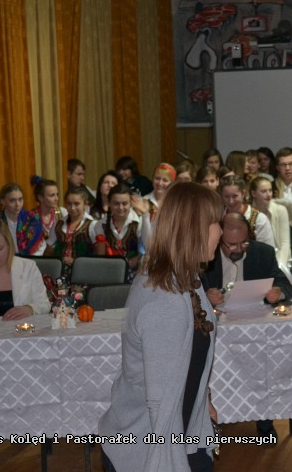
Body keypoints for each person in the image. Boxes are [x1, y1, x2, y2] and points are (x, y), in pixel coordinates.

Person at [98, 182, 222, 472]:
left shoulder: (186, 277)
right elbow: (161, 405)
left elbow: (187, 359)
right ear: (194, 229)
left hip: (180, 434)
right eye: (215, 222)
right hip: (148, 447)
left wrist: (204, 399)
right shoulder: (163, 299)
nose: (220, 230)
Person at [202, 212, 292, 441]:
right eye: (232, 245)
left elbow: (284, 283)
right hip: (217, 330)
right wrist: (204, 296)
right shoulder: (205, 255)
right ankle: (212, 418)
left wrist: (278, 292)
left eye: (244, 243)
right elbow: (188, 290)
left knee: (263, 365)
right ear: (219, 239)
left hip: (254, 329)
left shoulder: (262, 253)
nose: (239, 249)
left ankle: (264, 421)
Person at [92, 184, 152, 283]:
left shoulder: (138, 222)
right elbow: (100, 258)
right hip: (110, 273)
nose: (120, 208)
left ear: (131, 204)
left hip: (135, 273)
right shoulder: (100, 225)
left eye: (125, 203)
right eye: (116, 203)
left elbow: (148, 247)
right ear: (109, 203)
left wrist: (145, 215)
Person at [45, 187, 97, 278]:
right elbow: (49, 250)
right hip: (60, 274)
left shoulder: (92, 225)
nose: (72, 208)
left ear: (85, 204)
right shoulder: (59, 223)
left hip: (84, 274)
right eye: (69, 204)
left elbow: (97, 254)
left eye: (77, 204)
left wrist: (76, 261)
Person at [219, 175, 275, 247]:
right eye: (226, 196)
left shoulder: (259, 219)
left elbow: (267, 250)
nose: (231, 201)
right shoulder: (218, 218)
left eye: (234, 196)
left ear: (243, 194)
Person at [249, 176, 292, 266]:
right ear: (253, 193)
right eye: (263, 191)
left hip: (279, 258)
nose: (268, 194)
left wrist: (280, 265)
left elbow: (285, 243)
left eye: (270, 190)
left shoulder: (280, 210)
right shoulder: (249, 213)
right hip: (256, 259)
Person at [0, 182, 41, 256]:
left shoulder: (33, 219)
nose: (17, 204)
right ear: (3, 201)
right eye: (12, 201)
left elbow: (38, 247)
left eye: (20, 199)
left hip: (30, 259)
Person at [29, 176, 66, 256]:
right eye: (52, 195)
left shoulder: (62, 213)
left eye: (57, 194)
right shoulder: (31, 217)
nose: (56, 198)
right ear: (40, 197)